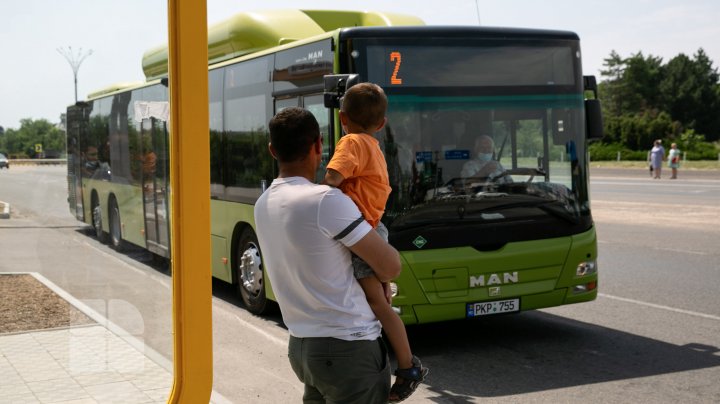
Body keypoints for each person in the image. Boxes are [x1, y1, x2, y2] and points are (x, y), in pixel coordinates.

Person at [254, 107, 401, 403]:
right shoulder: (326, 202)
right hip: (349, 347)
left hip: (302, 347)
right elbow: (390, 266)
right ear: (319, 145)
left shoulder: (263, 203)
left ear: (272, 150)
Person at [324, 82, 428, 403]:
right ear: (381, 124)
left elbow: (332, 179)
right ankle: (405, 361)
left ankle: (409, 366)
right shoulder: (374, 146)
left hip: (363, 232)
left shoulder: (351, 141)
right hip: (375, 228)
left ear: (342, 117)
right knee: (380, 298)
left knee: (378, 304)